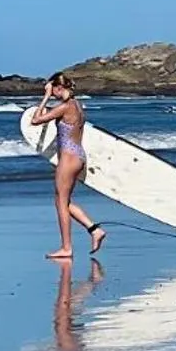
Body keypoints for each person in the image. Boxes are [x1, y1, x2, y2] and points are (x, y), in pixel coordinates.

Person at [27, 73, 106, 262]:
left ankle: (66, 247)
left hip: (68, 160)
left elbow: (36, 120)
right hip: (78, 155)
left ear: (58, 87)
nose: (52, 94)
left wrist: (45, 98)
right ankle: (95, 230)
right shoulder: (77, 106)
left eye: (52, 90)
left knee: (61, 202)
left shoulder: (64, 107)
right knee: (63, 201)